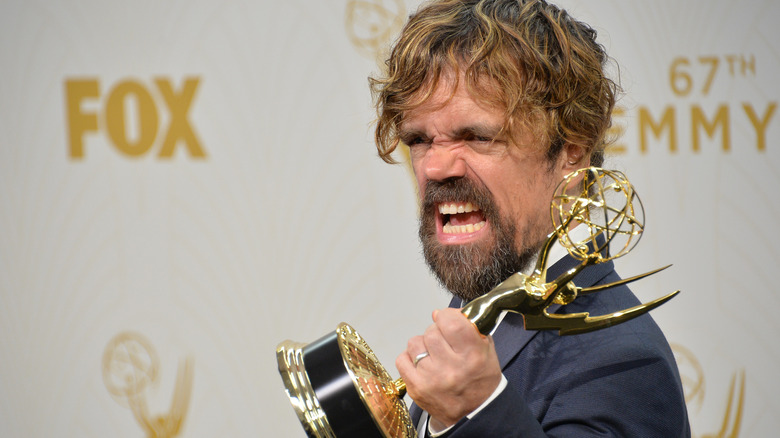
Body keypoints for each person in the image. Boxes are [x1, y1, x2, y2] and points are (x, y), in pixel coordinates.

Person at [369, 0, 691, 436]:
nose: (434, 168)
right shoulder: (488, 294)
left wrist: (480, 413)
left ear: (571, 155)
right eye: (419, 140)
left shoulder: (624, 362)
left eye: (477, 136)